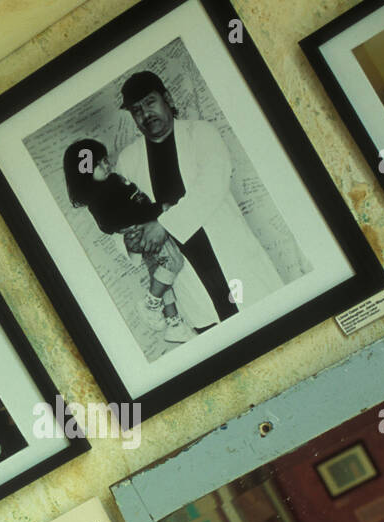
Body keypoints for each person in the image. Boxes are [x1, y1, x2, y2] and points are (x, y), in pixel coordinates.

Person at [113, 71, 282, 333]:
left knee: (273, 328)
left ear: (167, 98)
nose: (145, 115)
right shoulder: (128, 161)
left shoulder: (201, 133)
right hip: (189, 280)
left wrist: (164, 225)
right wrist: (130, 241)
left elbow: (213, 184)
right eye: (136, 110)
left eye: (150, 103)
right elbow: (119, 218)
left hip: (234, 260)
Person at [63, 138, 194, 344]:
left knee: (161, 277)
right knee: (172, 262)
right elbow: (109, 224)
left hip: (145, 226)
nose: (106, 165)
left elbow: (136, 202)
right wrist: (159, 210)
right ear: (85, 171)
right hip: (143, 231)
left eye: (105, 160)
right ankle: (151, 304)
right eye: (98, 164)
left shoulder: (113, 181)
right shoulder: (98, 197)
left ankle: (174, 324)